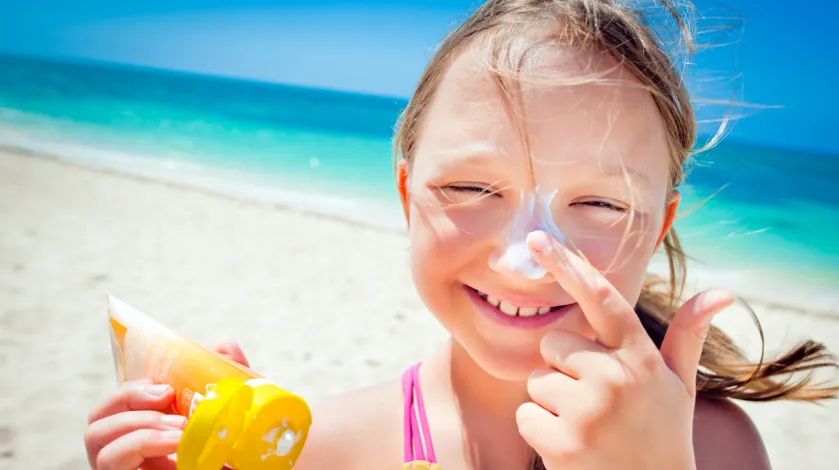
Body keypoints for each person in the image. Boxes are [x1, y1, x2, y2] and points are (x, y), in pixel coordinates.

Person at [84, 1, 838, 469]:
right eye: (472, 188)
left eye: (602, 204)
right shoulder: (322, 451)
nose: (525, 260)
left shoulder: (713, 450)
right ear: (409, 194)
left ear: (660, 225)